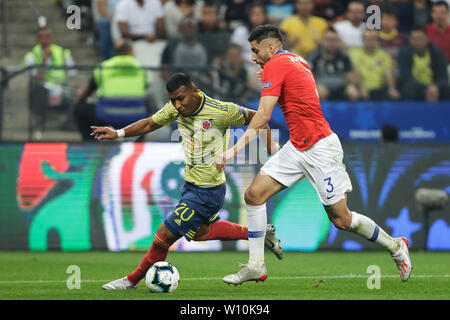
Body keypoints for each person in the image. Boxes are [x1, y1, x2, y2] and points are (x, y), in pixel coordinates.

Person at [216, 24, 412, 285]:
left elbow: (262, 115)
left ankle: (396, 245)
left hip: (320, 148)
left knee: (342, 220)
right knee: (253, 196)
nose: (252, 57)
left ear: (271, 48)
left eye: (255, 50)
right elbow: (289, 103)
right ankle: (255, 265)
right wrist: (274, 149)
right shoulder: (296, 59)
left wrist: (231, 152)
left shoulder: (276, 65)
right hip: (297, 147)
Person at [93, 72, 283, 290]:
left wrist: (271, 147)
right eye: (173, 100)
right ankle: (259, 232)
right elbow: (148, 124)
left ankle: (132, 280)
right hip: (191, 187)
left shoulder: (221, 111)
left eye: (180, 98)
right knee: (202, 233)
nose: (177, 105)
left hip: (207, 191)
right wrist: (117, 133)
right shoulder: (174, 109)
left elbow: (258, 116)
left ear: (194, 91)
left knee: (164, 234)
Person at [74, 40, 149, 140]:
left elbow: (85, 94)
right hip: (135, 117)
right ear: (131, 51)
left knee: (80, 107)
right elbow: (143, 88)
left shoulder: (103, 67)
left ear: (115, 52)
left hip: (108, 116)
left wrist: (79, 98)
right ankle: (138, 144)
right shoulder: (140, 67)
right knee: (147, 105)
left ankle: (91, 144)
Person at [22, 26, 76, 133]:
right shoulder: (31, 56)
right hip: (43, 91)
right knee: (38, 90)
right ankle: (39, 123)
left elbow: (73, 75)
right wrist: (44, 60)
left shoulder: (63, 53)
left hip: (61, 90)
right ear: (37, 40)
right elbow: (35, 79)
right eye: (41, 37)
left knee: (76, 95)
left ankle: (69, 124)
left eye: (47, 37)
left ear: (53, 39)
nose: (44, 40)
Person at [308, 27, 360, 101]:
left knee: (353, 92)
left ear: (338, 41)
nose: (331, 43)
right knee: (317, 93)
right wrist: (316, 86)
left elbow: (350, 73)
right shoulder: (314, 56)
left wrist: (351, 85)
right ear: (322, 41)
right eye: (328, 40)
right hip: (321, 88)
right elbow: (307, 77)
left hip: (341, 88)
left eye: (334, 40)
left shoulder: (344, 55)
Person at [398, 26, 449, 101]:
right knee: (408, 90)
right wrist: (428, 88)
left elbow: (443, 77)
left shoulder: (437, 53)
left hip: (435, 87)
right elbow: (406, 78)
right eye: (414, 39)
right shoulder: (404, 54)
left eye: (420, 38)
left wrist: (435, 87)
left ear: (427, 39)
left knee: (446, 89)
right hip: (415, 87)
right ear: (410, 40)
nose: (417, 42)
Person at [349, 29, 400, 100]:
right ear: (362, 40)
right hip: (361, 88)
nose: (370, 42)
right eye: (367, 39)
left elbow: (388, 73)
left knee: (394, 94)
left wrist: (391, 88)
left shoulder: (384, 54)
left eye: (373, 39)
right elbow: (354, 72)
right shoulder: (354, 54)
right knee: (352, 92)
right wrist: (361, 88)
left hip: (380, 89)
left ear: (377, 41)